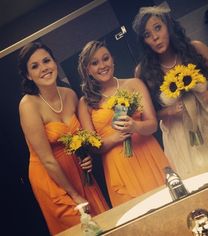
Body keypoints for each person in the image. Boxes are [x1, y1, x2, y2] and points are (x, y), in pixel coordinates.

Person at [132, 6, 208, 178]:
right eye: (147, 35)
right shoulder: (143, 72)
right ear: (144, 41)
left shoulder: (197, 49)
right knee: (203, 179)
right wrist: (170, 111)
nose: (155, 37)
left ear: (169, 26)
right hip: (180, 134)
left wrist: (201, 98)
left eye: (158, 27)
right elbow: (152, 115)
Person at [18, 42, 109, 235]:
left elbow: (81, 138)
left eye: (46, 61)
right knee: (81, 227)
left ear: (55, 63)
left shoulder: (70, 95)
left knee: (102, 223)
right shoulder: (28, 105)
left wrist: (86, 157)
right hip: (50, 177)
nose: (43, 68)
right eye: (35, 66)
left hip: (78, 172)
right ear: (28, 75)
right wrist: (74, 194)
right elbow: (47, 159)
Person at [77, 40, 170, 207]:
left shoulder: (134, 84)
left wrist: (135, 127)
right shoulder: (85, 103)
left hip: (148, 155)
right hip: (119, 167)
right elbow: (93, 146)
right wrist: (116, 138)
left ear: (113, 59)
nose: (102, 65)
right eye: (95, 63)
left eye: (105, 59)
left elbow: (153, 125)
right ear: (88, 70)